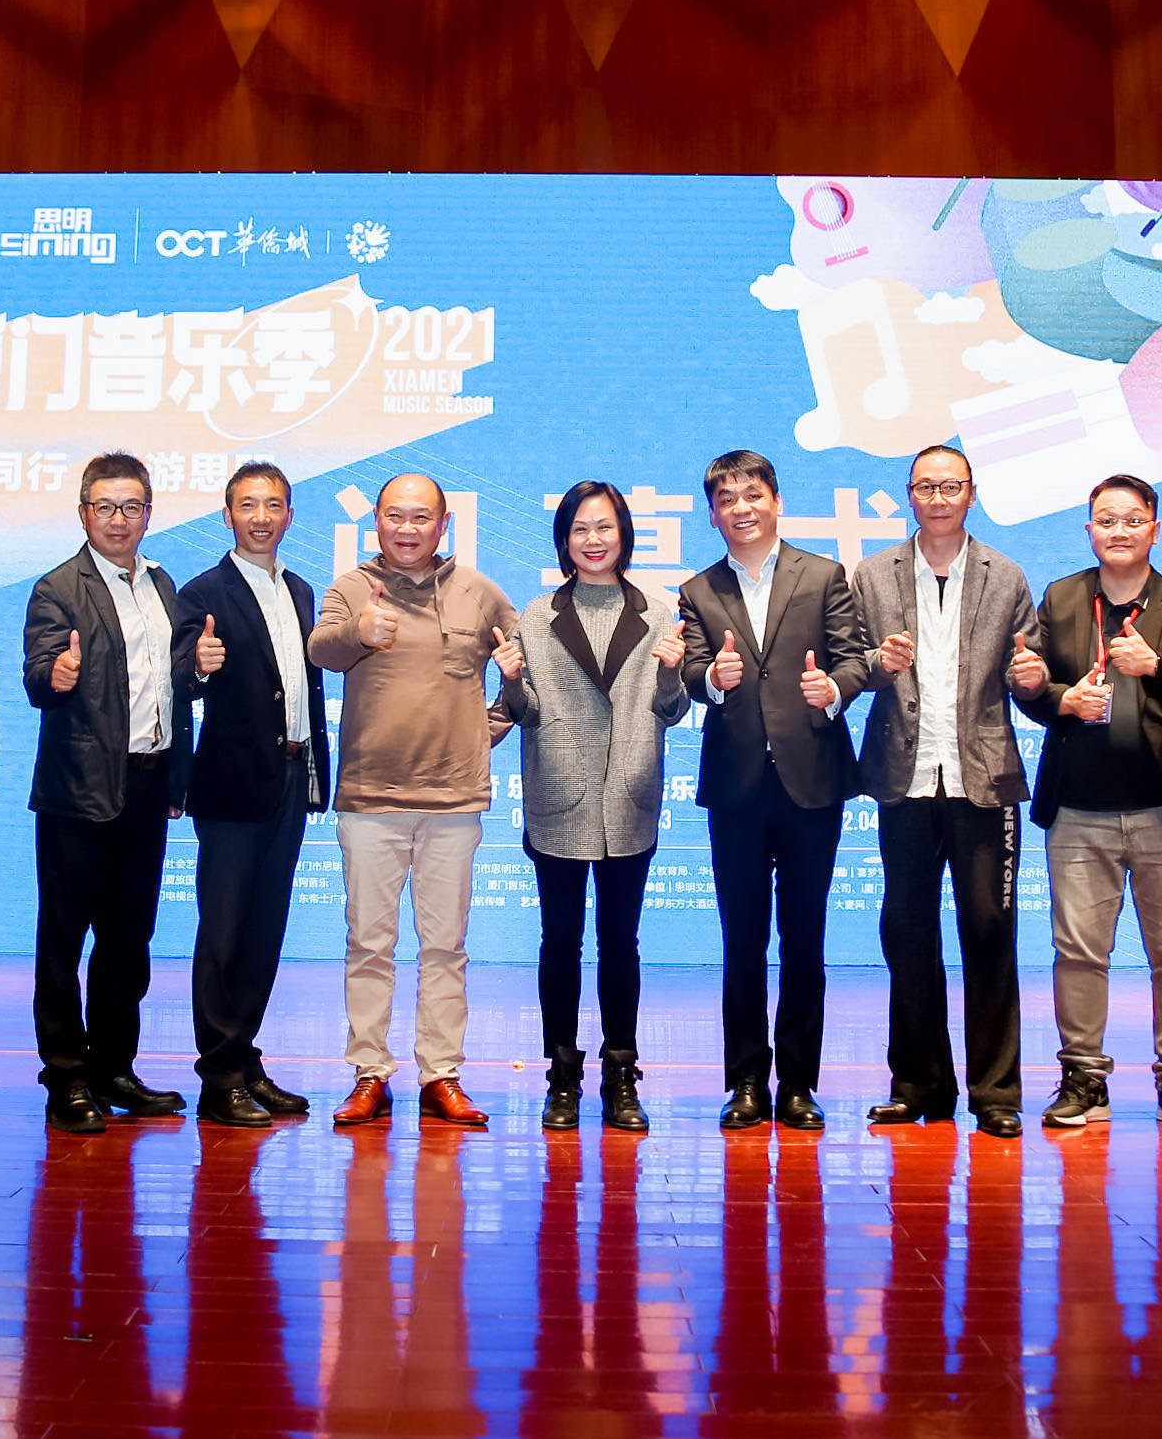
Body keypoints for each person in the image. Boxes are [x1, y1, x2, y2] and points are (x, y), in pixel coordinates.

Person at [1015, 473, 1162, 1132]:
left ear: (1154, 530)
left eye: (1132, 520)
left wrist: (1154, 666)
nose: (1118, 531)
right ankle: (1083, 1077)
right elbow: (1035, 687)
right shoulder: (1062, 598)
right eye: (1106, 521)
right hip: (1080, 809)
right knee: (1078, 952)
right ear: (1089, 530)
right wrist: (1051, 695)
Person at [307, 473, 519, 1130]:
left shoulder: (479, 592)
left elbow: (525, 668)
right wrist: (359, 631)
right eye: (395, 516)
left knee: (445, 947)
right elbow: (320, 649)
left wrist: (483, 730)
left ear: (443, 523)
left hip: (453, 801)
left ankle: (441, 1075)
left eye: (421, 517)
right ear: (376, 520)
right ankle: (369, 1073)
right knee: (368, 944)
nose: (407, 528)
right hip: (370, 797)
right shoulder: (351, 588)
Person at [847, 445, 1038, 1140]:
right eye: (925, 486)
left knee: (988, 932)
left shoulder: (1004, 575)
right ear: (909, 494)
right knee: (906, 932)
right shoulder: (872, 574)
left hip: (982, 779)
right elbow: (851, 663)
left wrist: (1031, 679)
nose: (937, 498)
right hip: (903, 778)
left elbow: (1028, 666)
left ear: (971, 494)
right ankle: (916, 1084)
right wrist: (876, 663)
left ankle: (996, 1092)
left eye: (949, 486)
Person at [677, 449, 869, 1133]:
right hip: (736, 788)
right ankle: (746, 1083)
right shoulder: (698, 590)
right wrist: (710, 680)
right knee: (742, 941)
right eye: (726, 500)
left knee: (804, 939)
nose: (741, 509)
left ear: (776, 501)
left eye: (752, 495)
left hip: (812, 780)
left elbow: (854, 658)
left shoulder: (823, 575)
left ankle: (799, 1086)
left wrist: (834, 688)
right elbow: (691, 671)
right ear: (712, 515)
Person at [22, 452, 214, 1134]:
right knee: (63, 941)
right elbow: (38, 676)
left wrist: (199, 669)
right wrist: (55, 675)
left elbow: (174, 682)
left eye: (131, 507)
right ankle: (65, 1078)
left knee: (129, 939)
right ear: (83, 513)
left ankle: (112, 1067)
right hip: (79, 789)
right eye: (104, 506)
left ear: (148, 515)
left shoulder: (161, 585)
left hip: (147, 783)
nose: (117, 519)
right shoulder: (57, 588)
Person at [492, 480, 691, 1132]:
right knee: (559, 942)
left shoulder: (658, 613)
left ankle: (620, 1073)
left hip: (629, 795)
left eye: (604, 527)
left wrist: (671, 673)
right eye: (580, 528)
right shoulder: (536, 615)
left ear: (624, 534)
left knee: (620, 944)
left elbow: (672, 711)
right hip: (558, 796)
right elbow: (525, 713)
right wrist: (511, 681)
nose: (593, 539)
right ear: (564, 540)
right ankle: (561, 1075)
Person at [172, 462, 330, 1128]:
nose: (260, 517)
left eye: (272, 505)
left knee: (264, 931)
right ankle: (218, 1076)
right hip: (232, 785)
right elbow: (181, 673)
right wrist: (197, 667)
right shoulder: (202, 591)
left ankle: (244, 1058)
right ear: (227, 515)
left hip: (290, 777)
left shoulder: (300, 589)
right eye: (247, 505)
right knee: (224, 932)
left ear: (289, 515)